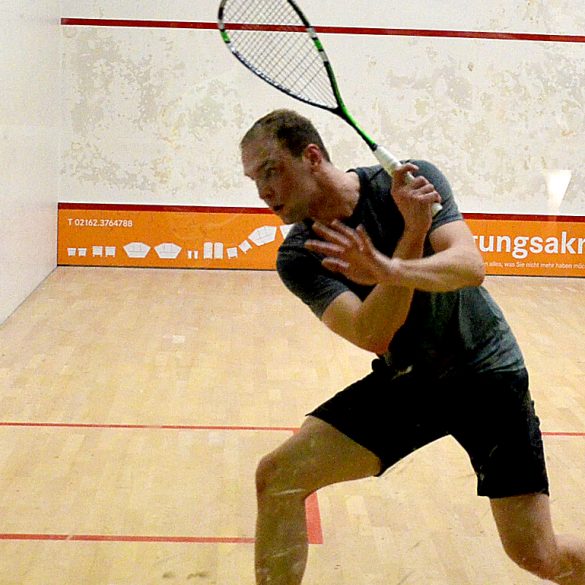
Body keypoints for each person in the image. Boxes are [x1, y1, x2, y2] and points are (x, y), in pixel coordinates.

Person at [239, 108, 585, 585]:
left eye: (270, 171)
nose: (263, 191)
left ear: (312, 157)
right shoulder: (300, 256)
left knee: (538, 556)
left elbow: (469, 267)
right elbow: (372, 333)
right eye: (254, 179)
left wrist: (392, 262)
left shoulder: (408, 182)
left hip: (488, 376)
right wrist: (407, 243)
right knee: (278, 477)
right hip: (411, 383)